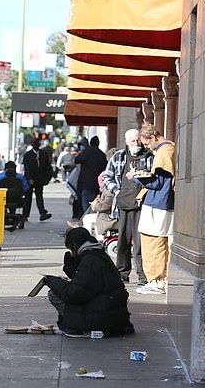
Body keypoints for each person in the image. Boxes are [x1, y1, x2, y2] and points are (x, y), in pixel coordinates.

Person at [44, 227, 134, 337]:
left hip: (103, 315)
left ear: (74, 245)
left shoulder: (90, 261)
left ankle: (82, 328)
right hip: (112, 311)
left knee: (54, 294)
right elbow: (85, 284)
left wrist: (52, 281)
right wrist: (71, 265)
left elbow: (74, 294)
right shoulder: (98, 254)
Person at [128, 124, 175, 295]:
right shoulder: (170, 148)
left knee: (152, 242)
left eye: (147, 144)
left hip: (158, 204)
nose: (146, 147)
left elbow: (158, 182)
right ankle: (159, 280)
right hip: (162, 203)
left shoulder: (164, 151)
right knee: (157, 242)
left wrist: (137, 178)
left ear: (154, 137)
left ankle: (157, 281)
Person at [102, 128, 153, 286]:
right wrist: (116, 191)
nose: (136, 143)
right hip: (123, 204)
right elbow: (107, 176)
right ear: (126, 142)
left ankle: (143, 274)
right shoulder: (119, 156)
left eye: (138, 140)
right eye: (133, 141)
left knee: (139, 242)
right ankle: (122, 273)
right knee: (123, 240)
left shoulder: (149, 156)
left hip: (141, 205)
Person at [74, 136, 107, 216]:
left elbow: (76, 160)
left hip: (86, 183)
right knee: (95, 203)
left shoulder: (86, 152)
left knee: (85, 204)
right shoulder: (101, 154)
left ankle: (86, 219)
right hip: (98, 185)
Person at [22, 138, 53, 221]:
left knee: (39, 196)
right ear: (32, 145)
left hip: (40, 179)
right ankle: (25, 215)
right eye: (34, 143)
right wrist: (29, 179)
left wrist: (48, 178)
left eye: (37, 143)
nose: (36, 145)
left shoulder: (43, 154)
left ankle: (42, 213)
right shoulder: (27, 155)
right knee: (28, 197)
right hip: (30, 180)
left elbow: (47, 167)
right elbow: (26, 169)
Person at [0, 161, 29, 231]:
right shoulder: (20, 177)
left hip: (3, 200)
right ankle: (14, 216)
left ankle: (5, 216)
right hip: (17, 200)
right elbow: (26, 188)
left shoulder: (0, 177)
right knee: (14, 201)